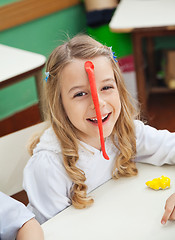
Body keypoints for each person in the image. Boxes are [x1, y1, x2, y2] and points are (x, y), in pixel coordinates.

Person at [23, 34, 175, 225]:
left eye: (106, 87)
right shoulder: (48, 166)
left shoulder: (127, 133)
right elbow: (52, 232)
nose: (98, 103)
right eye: (80, 93)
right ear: (59, 104)